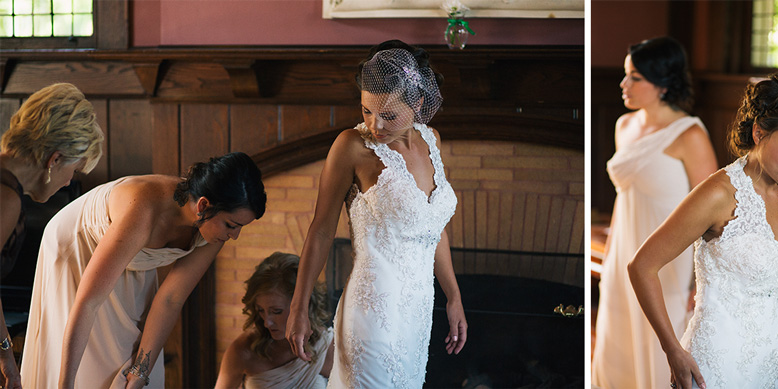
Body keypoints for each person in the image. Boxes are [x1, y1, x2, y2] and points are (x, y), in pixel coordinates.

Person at [628, 74, 778, 389]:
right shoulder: (717, 194)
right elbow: (641, 266)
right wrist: (672, 349)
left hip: (769, 362)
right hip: (713, 363)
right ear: (759, 133)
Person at [284, 39, 467, 388]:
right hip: (372, 315)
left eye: (388, 115)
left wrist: (454, 297)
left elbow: (432, 229)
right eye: (367, 110)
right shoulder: (351, 147)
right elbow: (321, 232)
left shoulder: (432, 141)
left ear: (418, 103)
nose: (375, 125)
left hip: (418, 314)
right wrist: (298, 307)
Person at [20, 151, 266, 389]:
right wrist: (65, 385)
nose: (234, 236)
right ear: (203, 205)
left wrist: (141, 370)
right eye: (232, 225)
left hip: (134, 261)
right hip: (79, 248)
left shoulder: (212, 231)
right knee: (93, 366)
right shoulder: (144, 208)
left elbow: (171, 299)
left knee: (134, 368)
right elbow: (88, 302)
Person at [591, 36, 718, 389]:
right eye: (624, 75)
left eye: (634, 77)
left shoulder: (690, 134)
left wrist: (702, 280)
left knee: (664, 341)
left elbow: (712, 217)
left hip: (670, 261)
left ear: (662, 84)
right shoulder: (624, 126)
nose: (623, 85)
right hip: (624, 249)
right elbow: (626, 195)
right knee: (620, 337)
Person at [0, 83, 104, 389]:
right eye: (75, 168)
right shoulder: (6, 198)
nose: (71, 179)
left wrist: (6, 354)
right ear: (54, 159)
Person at [216, 252, 333, 389]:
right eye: (260, 310)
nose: (267, 322)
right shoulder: (244, 350)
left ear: (303, 306)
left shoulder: (327, 348)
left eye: (277, 311)